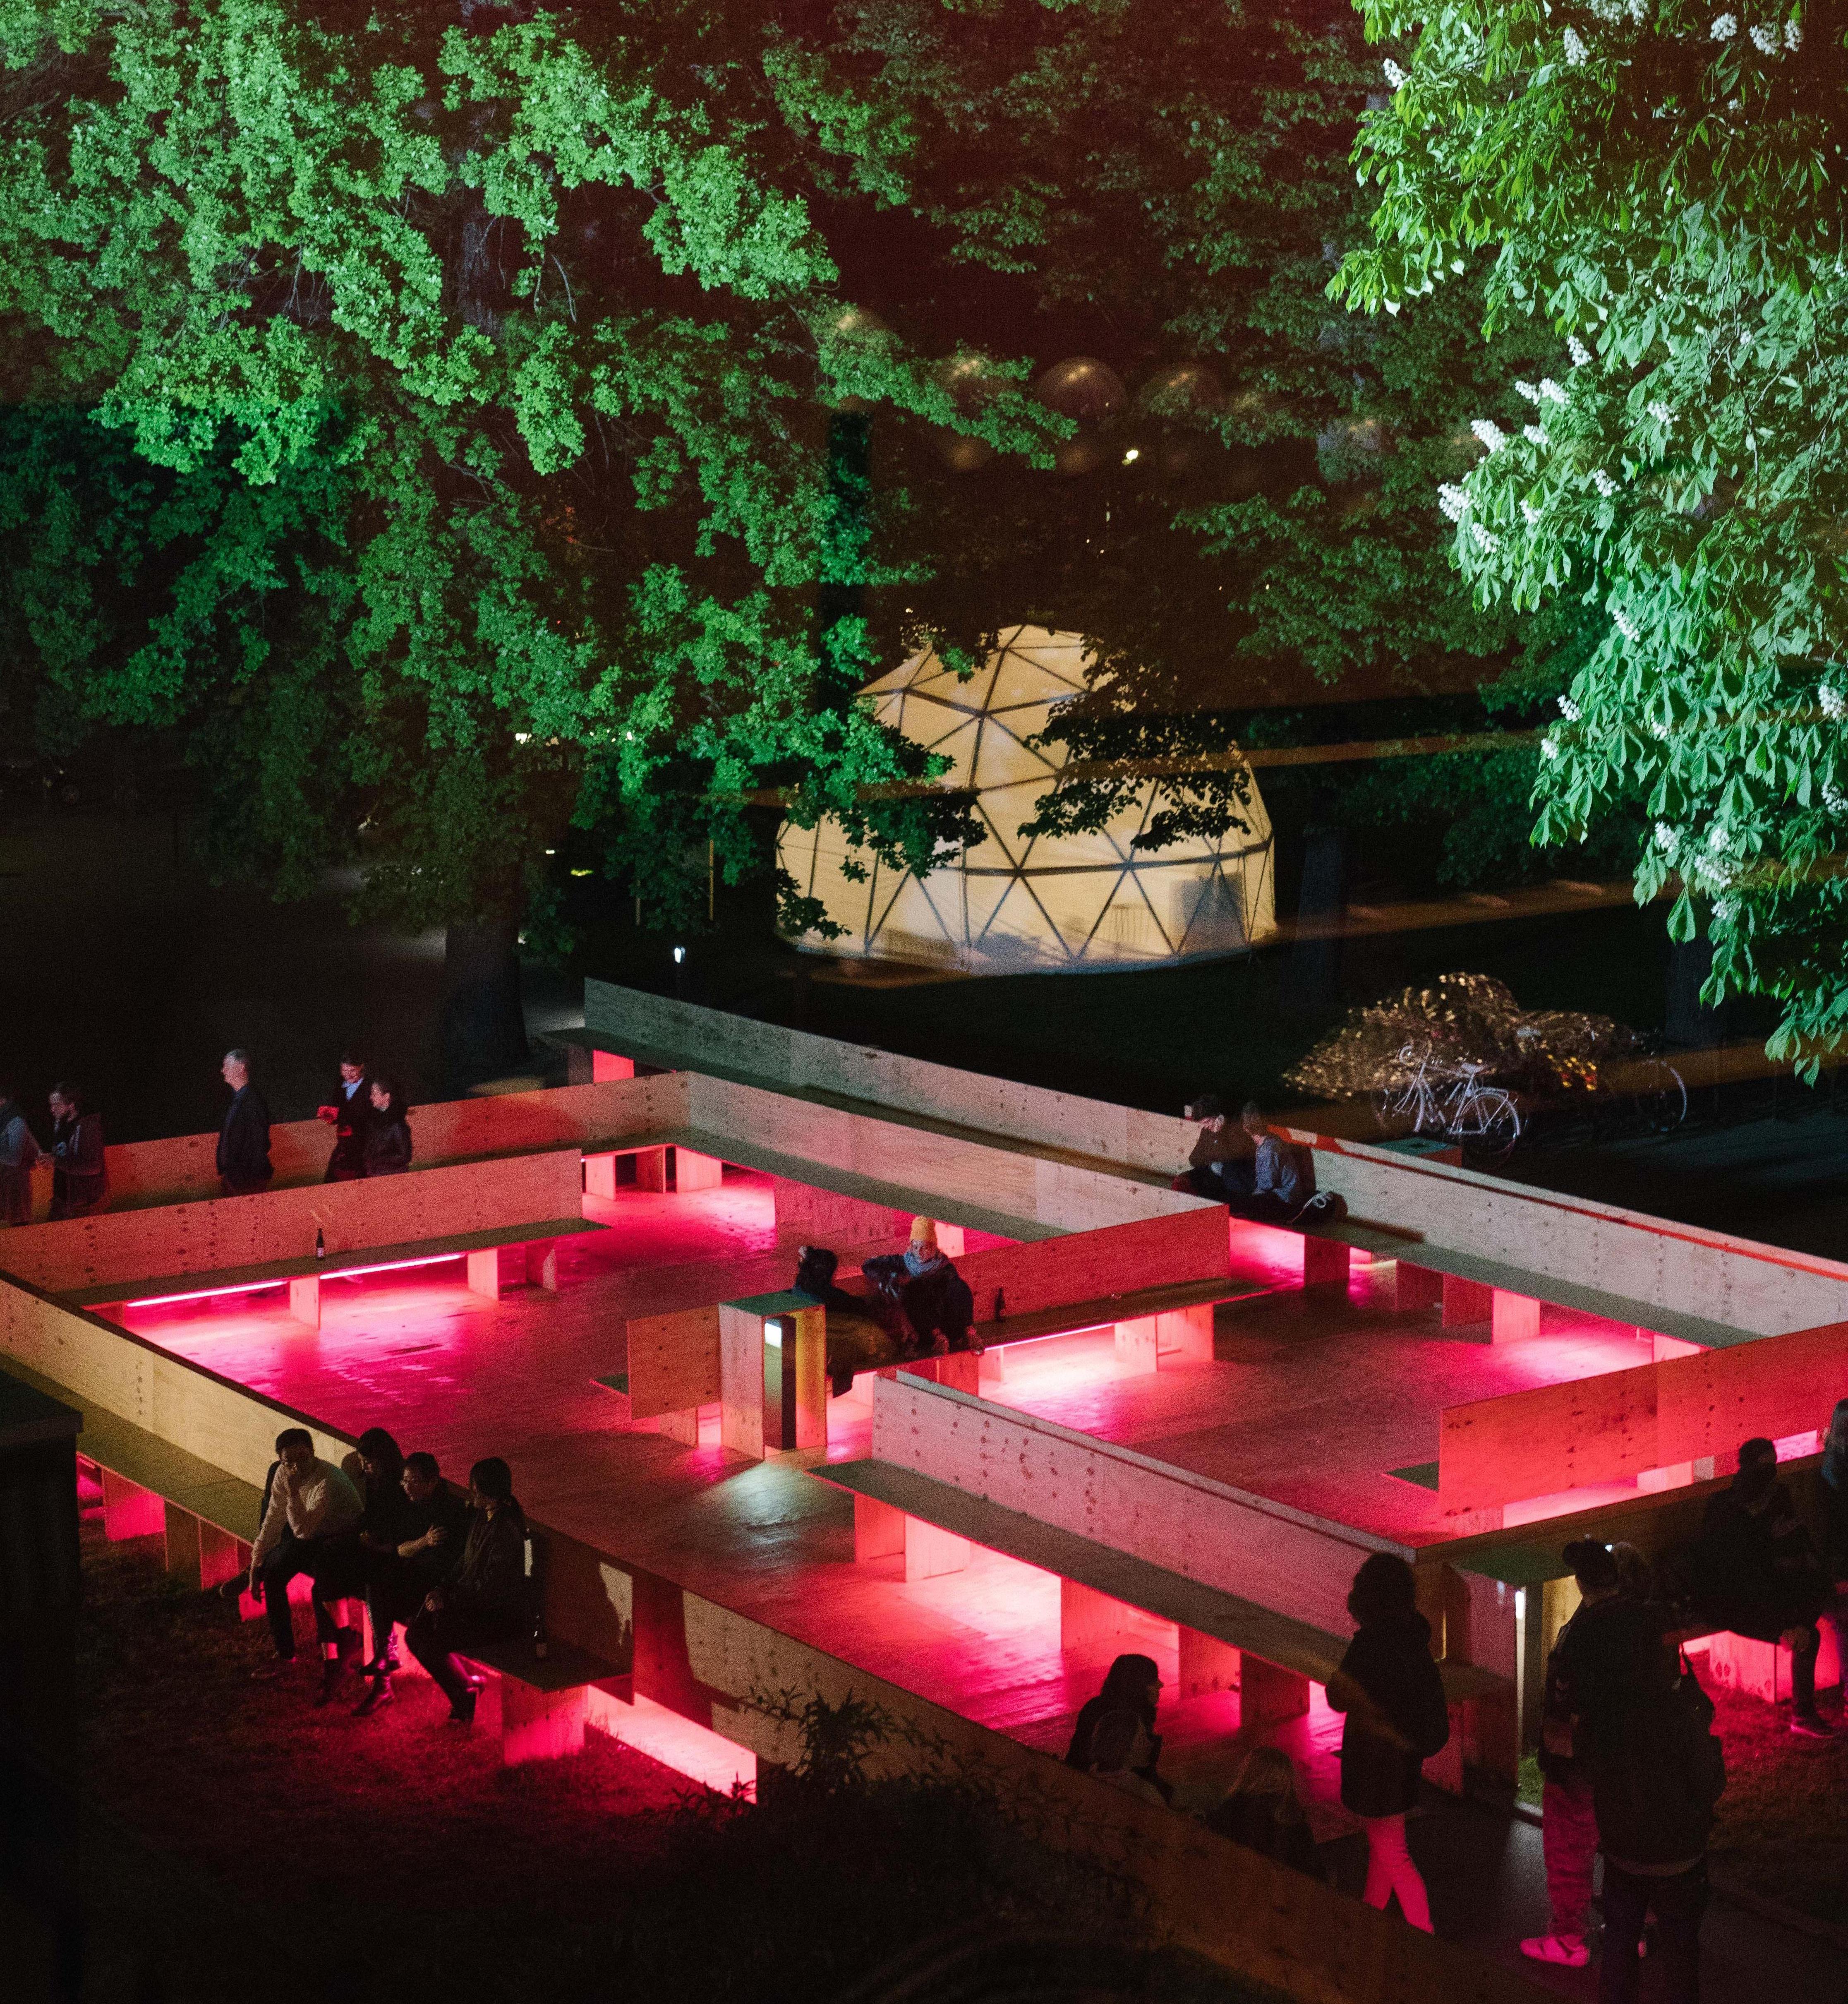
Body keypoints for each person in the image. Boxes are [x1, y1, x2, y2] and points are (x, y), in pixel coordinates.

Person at [1522, 1538, 1672, 1968]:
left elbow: (1563, 1707)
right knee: (1630, 1848)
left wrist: (1556, 1763)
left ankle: (1569, 1939)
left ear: (1580, 1581)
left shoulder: (1580, 1635)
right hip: (1637, 1761)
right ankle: (1635, 1931)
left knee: (1571, 1849)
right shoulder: (1646, 1620)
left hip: (1583, 1765)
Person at [1591, 1648, 1724, 2004]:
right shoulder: (1684, 1719)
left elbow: (1596, 1771)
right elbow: (1709, 1783)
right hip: (1677, 1860)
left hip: (1623, 1855)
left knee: (1618, 1949)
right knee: (1680, 1956)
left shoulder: (1611, 1713)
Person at [1326, 1551, 1450, 1932]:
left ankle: (1424, 1937)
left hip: (1374, 1764)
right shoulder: (1414, 1637)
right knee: (1383, 1847)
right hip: (1401, 1763)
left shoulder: (1370, 1644)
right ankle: (1369, 1918)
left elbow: (1337, 1695)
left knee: (1392, 1852)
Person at [1690, 1436, 1834, 1736]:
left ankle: (1797, 1639)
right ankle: (1802, 1708)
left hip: (1772, 1586)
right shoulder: (1724, 1506)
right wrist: (1782, 1625)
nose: (1769, 1474)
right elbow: (1735, 1572)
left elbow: (1793, 1538)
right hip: (1734, 1599)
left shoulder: (1777, 1495)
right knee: (1805, 1629)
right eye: (1762, 1467)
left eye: (1772, 1466)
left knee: (1813, 1601)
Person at [404, 1457, 531, 1724]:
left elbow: (491, 1590)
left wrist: (447, 1600)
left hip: (495, 1618)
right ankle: (463, 1691)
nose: (470, 1493)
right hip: (472, 1606)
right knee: (418, 1630)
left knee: (423, 1636)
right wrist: (440, 1590)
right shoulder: (483, 1520)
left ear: (488, 1493)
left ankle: (463, 1695)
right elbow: (464, 1563)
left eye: (474, 1488)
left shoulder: (504, 1531)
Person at [247, 1427, 363, 1692]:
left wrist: (293, 1493)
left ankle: (335, 1657)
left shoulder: (327, 1481)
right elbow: (273, 1521)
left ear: (313, 1453)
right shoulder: (282, 1474)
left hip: (340, 1543)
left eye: (304, 1458)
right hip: (312, 1539)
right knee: (273, 1572)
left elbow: (303, 1531)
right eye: (290, 1462)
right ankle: (286, 1654)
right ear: (282, 1461)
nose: (298, 1467)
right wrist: (256, 1565)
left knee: (320, 1588)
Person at [354, 1450, 470, 1715]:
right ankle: (385, 1657)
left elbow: (438, 1559)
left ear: (431, 1482)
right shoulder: (409, 1505)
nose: (405, 1486)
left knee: (384, 1590)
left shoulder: (448, 1510)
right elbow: (400, 1550)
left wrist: (414, 1548)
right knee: (376, 1583)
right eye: (404, 1480)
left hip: (435, 1587)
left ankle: (385, 1663)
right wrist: (422, 1543)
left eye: (411, 1481)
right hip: (415, 1577)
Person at [308, 1428, 410, 1704]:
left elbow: (402, 1531)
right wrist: (352, 1534)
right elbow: (367, 1516)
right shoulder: (375, 1481)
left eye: (369, 1462)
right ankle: (341, 1643)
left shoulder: (401, 1484)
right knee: (323, 1570)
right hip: (371, 1548)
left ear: (384, 1459)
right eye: (363, 1462)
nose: (365, 1468)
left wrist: (372, 1541)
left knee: (375, 1591)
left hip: (392, 1558)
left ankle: (382, 1679)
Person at [860, 1217, 976, 1358]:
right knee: (914, 1290)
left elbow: (955, 1297)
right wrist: (895, 1279)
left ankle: (970, 1334)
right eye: (915, 1248)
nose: (919, 1253)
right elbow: (868, 1265)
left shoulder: (944, 1267)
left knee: (958, 1286)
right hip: (923, 1327)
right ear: (911, 1247)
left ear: (933, 1247)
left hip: (946, 1320)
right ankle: (939, 1339)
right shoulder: (904, 1263)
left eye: (924, 1248)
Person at [1205, 1744, 1321, 1878]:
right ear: (1287, 1779)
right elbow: (1314, 1872)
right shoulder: (1295, 1820)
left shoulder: (1232, 1809)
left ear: (1249, 1773)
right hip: (1282, 1894)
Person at [1065, 1653, 1170, 1800]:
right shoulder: (1134, 1718)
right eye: (1153, 1680)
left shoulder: (1094, 1707)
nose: (1161, 1684)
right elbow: (1143, 1772)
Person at [1172, 1094, 1256, 1201]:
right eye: (1203, 1124)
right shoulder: (1207, 1131)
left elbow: (1227, 1158)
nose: (1206, 1126)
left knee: (1223, 1172)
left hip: (1233, 1180)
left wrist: (1217, 1135)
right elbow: (1194, 1158)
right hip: (1215, 1176)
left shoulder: (1235, 1129)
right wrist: (1211, 1156)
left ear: (1218, 1117)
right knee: (1188, 1178)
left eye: (1207, 1122)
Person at [216, 1050, 273, 1196]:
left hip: (246, 1182)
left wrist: (240, 1176)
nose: (223, 1071)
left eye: (226, 1066)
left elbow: (259, 1142)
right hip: (238, 1179)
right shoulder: (240, 1100)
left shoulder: (252, 1102)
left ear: (241, 1068)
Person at [46, 1083, 108, 1218]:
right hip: (63, 1200)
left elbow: (94, 1167)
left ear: (71, 1105)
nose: (52, 1109)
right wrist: (50, 1160)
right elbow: (62, 1155)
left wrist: (57, 1162)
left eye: (57, 1105)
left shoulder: (88, 1127)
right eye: (51, 1105)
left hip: (85, 1204)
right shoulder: (59, 1124)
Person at [1087, 1706, 1168, 1806]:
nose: (1149, 1744)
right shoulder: (1141, 1790)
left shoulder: (1092, 1774)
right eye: (1142, 1739)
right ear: (1124, 1746)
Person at [317, 1049, 373, 1183]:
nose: (348, 1075)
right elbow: (338, 1109)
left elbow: (365, 1114)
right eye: (344, 1071)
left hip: (365, 1142)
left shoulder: (371, 1087)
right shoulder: (340, 1085)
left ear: (361, 1068)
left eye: (353, 1071)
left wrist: (339, 1114)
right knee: (333, 1181)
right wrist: (331, 1117)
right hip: (345, 1142)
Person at [0, 1083, 43, 1225]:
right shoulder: (5, 1119)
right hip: (7, 1185)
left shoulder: (15, 1121)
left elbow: (15, 1158)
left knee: (20, 1228)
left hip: (16, 1189)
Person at [362, 1077, 413, 1176]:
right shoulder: (375, 1121)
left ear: (386, 1097)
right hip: (376, 1175)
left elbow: (405, 1156)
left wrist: (379, 1161)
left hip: (393, 1177)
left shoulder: (397, 1124)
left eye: (375, 1094)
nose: (371, 1098)